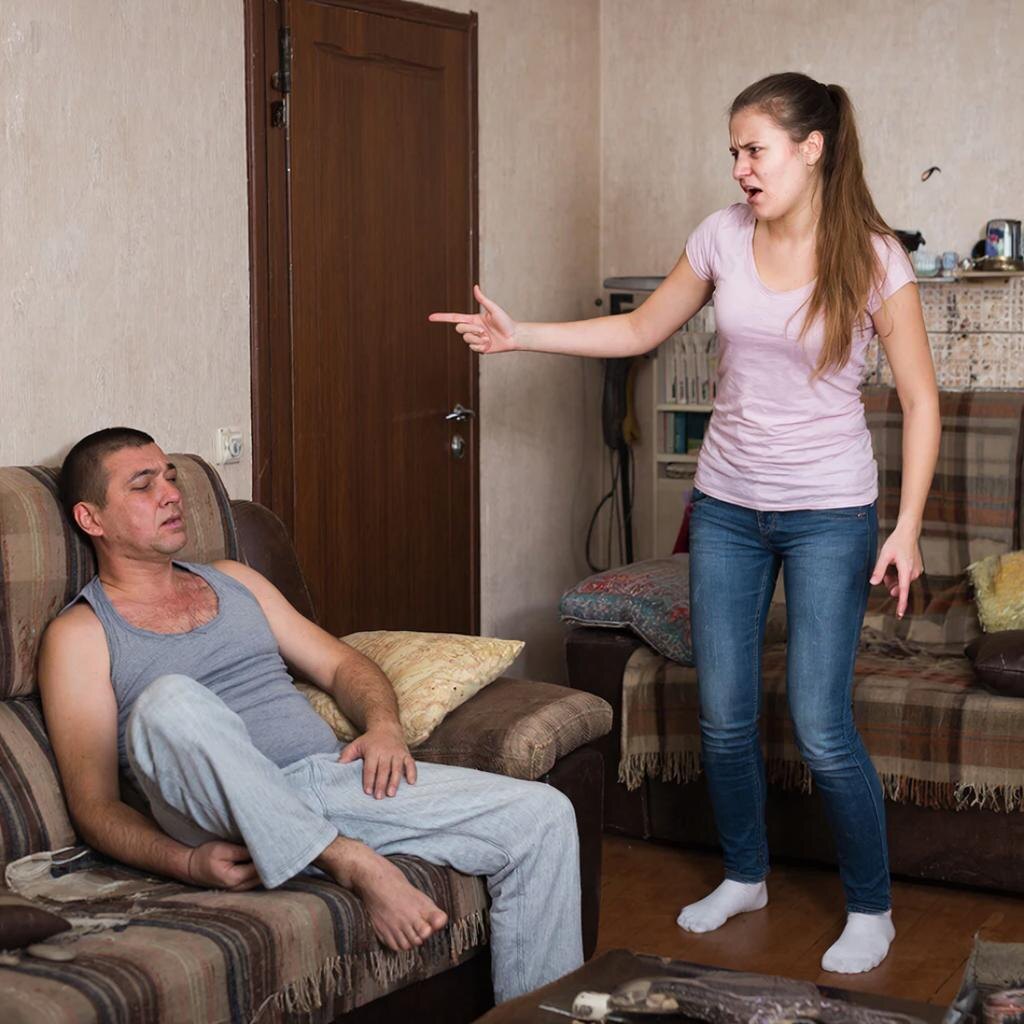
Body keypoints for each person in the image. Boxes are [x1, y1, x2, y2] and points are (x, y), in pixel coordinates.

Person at [430, 72, 940, 975]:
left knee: (820, 723)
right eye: (734, 152)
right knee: (723, 714)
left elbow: (920, 399)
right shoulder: (720, 237)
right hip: (728, 507)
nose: (741, 168)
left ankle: (871, 906)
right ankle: (745, 874)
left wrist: (905, 528)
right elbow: (639, 332)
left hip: (830, 511)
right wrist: (523, 335)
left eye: (756, 150)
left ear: (811, 148)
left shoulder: (874, 257)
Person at [38, 427, 583, 1003]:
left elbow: (344, 664)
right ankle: (349, 861)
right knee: (170, 699)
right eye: (143, 485)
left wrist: (384, 726)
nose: (171, 494)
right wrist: (188, 863)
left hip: (328, 779)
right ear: (91, 519)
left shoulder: (236, 580)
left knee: (543, 814)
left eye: (170, 478)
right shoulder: (79, 634)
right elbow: (95, 806)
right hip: (216, 810)